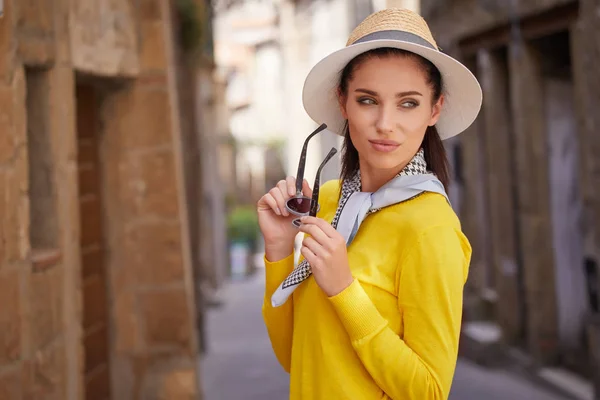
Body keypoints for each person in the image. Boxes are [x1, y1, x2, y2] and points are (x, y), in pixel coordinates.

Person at [257, 8, 482, 400]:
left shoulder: (430, 228)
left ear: (435, 109)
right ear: (343, 103)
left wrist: (345, 291)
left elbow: (429, 391)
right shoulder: (328, 202)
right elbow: (297, 358)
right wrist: (278, 250)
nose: (385, 123)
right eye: (367, 100)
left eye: (408, 103)